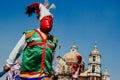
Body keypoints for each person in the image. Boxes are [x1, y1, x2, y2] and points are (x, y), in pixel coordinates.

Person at [3, 1, 58, 80]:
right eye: (46, 20)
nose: (49, 23)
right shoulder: (30, 34)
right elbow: (17, 50)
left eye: (51, 21)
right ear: (41, 21)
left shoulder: (53, 40)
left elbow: (53, 59)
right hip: (28, 75)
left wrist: (56, 72)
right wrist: (9, 64)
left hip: (45, 76)